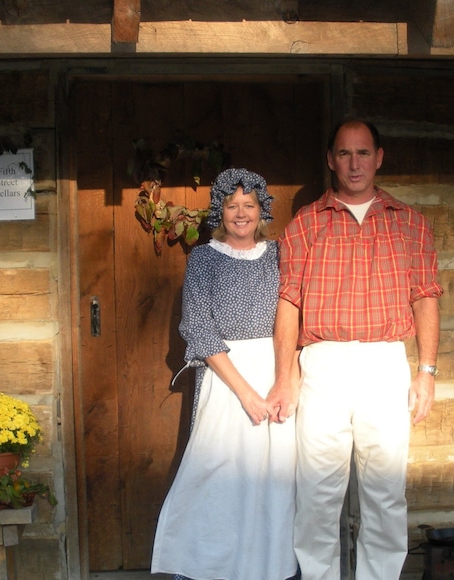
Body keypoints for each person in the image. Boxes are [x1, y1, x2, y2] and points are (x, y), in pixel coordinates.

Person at [267, 119, 443, 580]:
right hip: (323, 363)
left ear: (379, 158)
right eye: (344, 154)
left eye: (363, 153)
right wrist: (286, 376)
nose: (354, 163)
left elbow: (425, 295)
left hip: (385, 363)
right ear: (331, 160)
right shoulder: (306, 222)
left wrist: (426, 371)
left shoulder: (409, 223)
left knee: (384, 491)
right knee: (318, 493)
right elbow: (288, 302)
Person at [152, 168, 299, 580]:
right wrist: (247, 394)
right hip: (225, 377)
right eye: (232, 206)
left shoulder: (279, 254)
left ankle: (268, 569)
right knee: (216, 472)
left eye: (248, 205)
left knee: (271, 476)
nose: (240, 214)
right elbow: (198, 326)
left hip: (274, 372)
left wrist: (285, 381)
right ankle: (206, 568)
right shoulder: (203, 258)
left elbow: (293, 316)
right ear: (220, 211)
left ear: (261, 210)